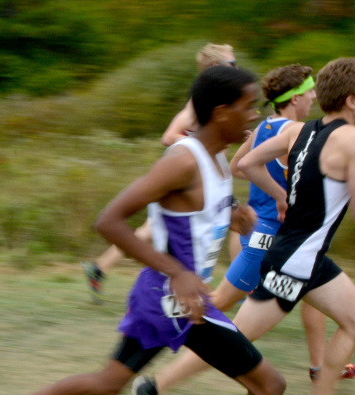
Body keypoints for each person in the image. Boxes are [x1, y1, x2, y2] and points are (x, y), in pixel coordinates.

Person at [0, 66, 320, 395]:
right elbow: (110, 220)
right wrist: (177, 271)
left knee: (108, 383)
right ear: (221, 112)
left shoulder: (218, 158)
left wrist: (233, 215)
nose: (254, 115)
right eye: (248, 106)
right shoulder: (183, 159)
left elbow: (191, 213)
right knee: (270, 386)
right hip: (172, 301)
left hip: (178, 301)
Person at [131, 56, 355, 395]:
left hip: (306, 256)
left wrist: (283, 197)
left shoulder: (303, 131)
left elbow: (246, 164)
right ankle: (155, 387)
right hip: (294, 261)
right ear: (351, 100)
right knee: (235, 339)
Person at [83, 44, 239, 301]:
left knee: (149, 231)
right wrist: (200, 151)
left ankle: (99, 268)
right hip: (186, 178)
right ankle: (235, 286)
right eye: (232, 65)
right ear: (215, 69)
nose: (237, 69)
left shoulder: (219, 102)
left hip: (203, 180)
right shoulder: (198, 102)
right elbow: (169, 136)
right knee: (156, 230)